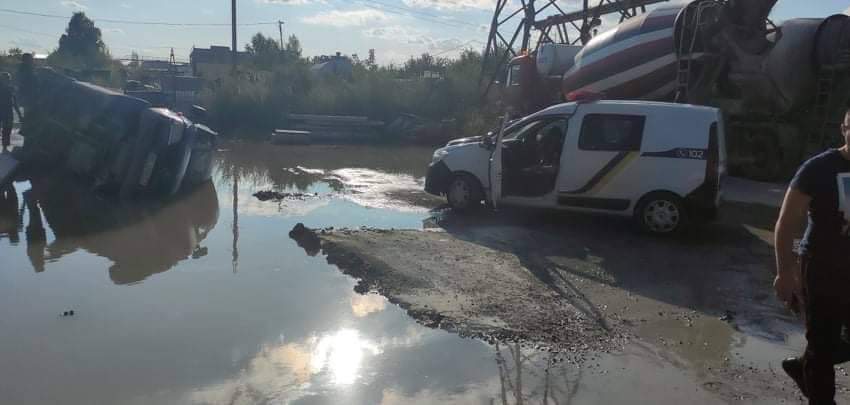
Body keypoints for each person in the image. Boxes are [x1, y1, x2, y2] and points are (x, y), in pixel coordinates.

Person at [775, 108, 850, 404]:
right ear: (843, 129)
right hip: (821, 268)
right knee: (822, 342)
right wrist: (785, 272)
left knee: (826, 347)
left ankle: (804, 366)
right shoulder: (819, 168)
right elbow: (787, 221)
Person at [0, 72, 22, 152]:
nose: (7, 80)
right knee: (7, 129)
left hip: (8, 110)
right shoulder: (10, 88)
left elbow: (14, 102)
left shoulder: (11, 89)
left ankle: (5, 146)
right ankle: (5, 146)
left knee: (7, 128)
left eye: (8, 79)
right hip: (4, 110)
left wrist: (19, 114)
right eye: (5, 79)